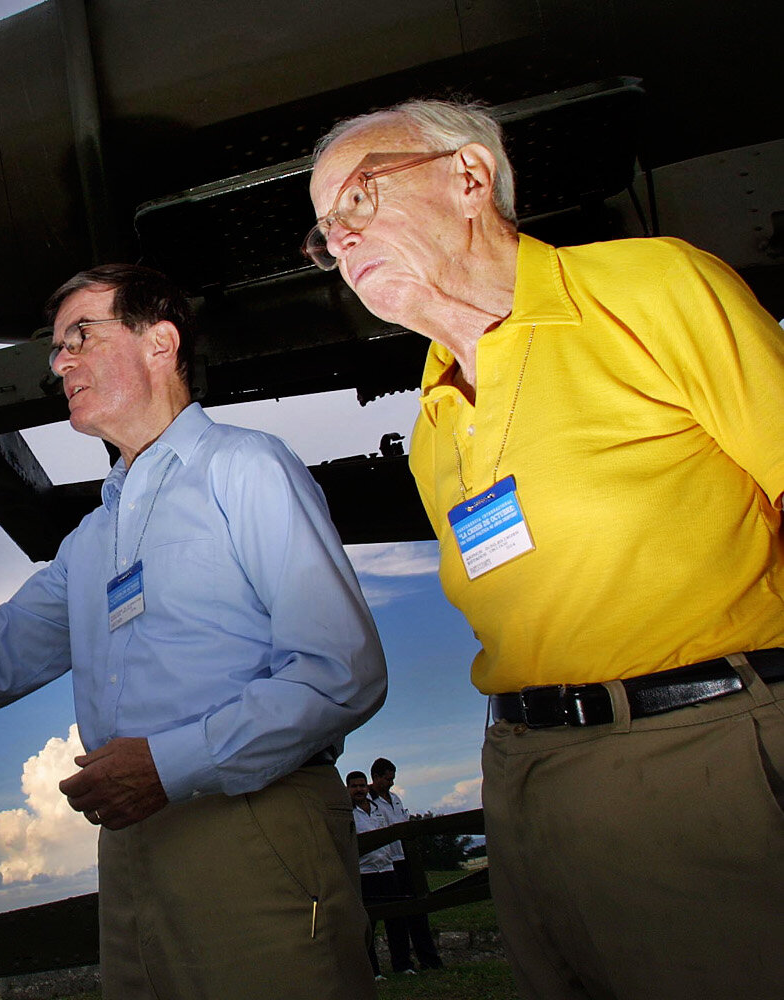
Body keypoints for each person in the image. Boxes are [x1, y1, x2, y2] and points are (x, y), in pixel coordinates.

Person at [0, 263, 387, 1000]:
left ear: (160, 343)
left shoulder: (246, 468)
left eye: (81, 336)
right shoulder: (90, 541)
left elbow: (341, 671)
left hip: (255, 826)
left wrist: (169, 765)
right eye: (55, 349)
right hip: (134, 848)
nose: (60, 361)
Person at [306, 99, 784, 1000]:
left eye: (359, 200)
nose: (338, 239)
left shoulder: (648, 288)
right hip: (524, 780)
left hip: (700, 753)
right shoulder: (430, 425)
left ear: (470, 177)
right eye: (325, 230)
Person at [367, 758, 441, 971]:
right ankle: (401, 963)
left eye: (392, 779)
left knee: (418, 910)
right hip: (386, 863)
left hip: (404, 859)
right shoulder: (368, 802)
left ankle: (429, 959)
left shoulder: (395, 799)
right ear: (376, 777)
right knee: (395, 916)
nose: (390, 783)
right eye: (387, 779)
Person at [346, 771, 404, 980]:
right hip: (365, 872)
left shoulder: (378, 809)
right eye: (354, 786)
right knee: (369, 923)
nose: (359, 790)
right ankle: (373, 970)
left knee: (396, 918)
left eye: (362, 785)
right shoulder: (347, 813)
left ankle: (402, 964)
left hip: (387, 868)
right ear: (348, 789)